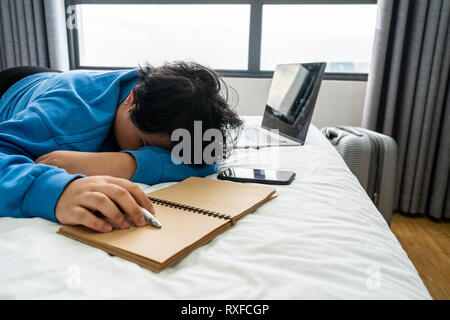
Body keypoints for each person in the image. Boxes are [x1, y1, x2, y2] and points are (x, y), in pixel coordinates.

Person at [0, 62, 242, 233]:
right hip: (11, 87)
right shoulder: (61, 120)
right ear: (131, 99)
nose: (147, 152)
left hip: (51, 79)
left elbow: (205, 160)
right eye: (143, 144)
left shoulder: (168, 98)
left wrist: (128, 163)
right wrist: (57, 192)